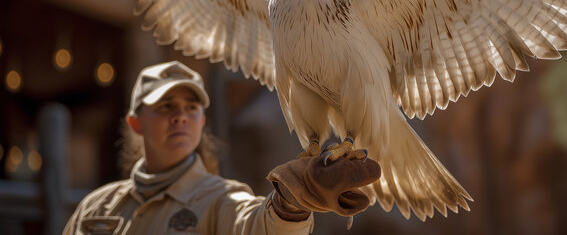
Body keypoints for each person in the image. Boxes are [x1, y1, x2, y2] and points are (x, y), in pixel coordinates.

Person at [63, 60, 380, 234]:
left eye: (191, 108)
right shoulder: (96, 208)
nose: (181, 117)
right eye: (166, 106)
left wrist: (290, 203)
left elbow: (257, 225)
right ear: (136, 123)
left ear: (202, 123)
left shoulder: (220, 199)